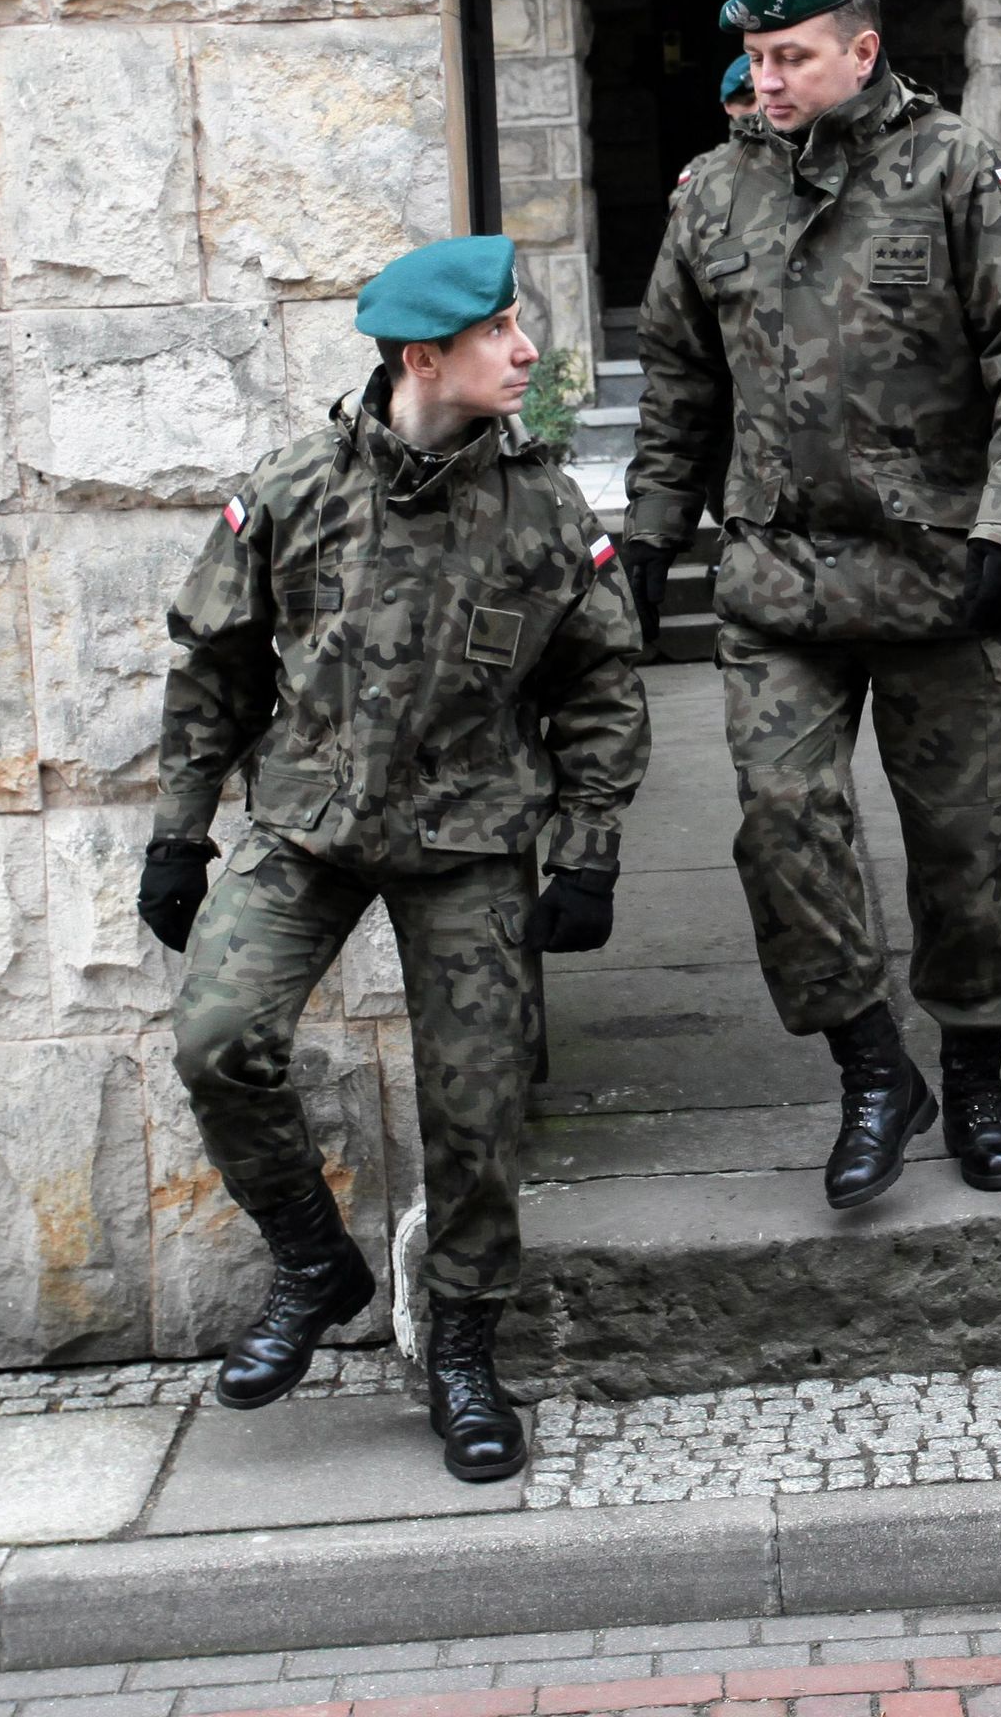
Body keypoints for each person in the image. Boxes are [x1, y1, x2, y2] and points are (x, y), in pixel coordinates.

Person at [139, 234, 647, 1483]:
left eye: (518, 327)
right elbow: (214, 668)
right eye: (499, 333)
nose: (526, 351)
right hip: (309, 824)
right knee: (217, 1037)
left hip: (471, 834)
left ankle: (464, 1350)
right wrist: (179, 831)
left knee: (476, 1106)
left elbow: (602, 686)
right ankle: (314, 1261)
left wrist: (587, 852)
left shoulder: (542, 507)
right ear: (424, 357)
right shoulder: (295, 486)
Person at [619, 0, 1001, 1210]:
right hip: (781, 584)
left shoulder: (956, 172)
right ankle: (875, 1071)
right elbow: (677, 383)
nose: (768, 81)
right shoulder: (712, 195)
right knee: (783, 824)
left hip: (943, 576)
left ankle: (976, 1076)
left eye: (793, 58)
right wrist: (653, 530)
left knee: (970, 844)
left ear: (863, 50)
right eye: (757, 60)